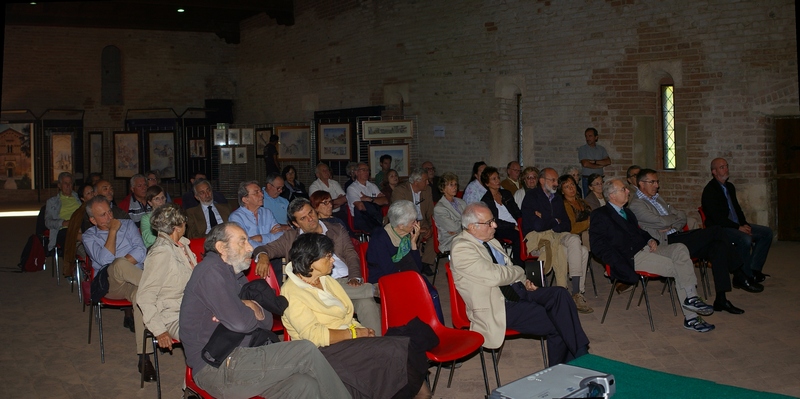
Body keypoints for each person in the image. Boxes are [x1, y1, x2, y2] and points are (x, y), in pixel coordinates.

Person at [179, 223, 351, 399]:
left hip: (246, 358)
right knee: (305, 350)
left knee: (305, 385)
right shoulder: (210, 270)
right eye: (242, 242)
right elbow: (241, 323)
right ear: (221, 247)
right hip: (218, 367)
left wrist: (245, 306)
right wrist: (246, 307)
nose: (250, 247)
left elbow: (266, 321)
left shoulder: (236, 275)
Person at [280, 233, 432, 399]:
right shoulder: (291, 292)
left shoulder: (326, 280)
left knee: (405, 341)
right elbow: (314, 336)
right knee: (394, 349)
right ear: (311, 261)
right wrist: (355, 334)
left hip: (345, 340)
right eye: (328, 256)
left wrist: (361, 329)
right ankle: (422, 395)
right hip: (321, 352)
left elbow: (346, 316)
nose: (333, 261)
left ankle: (421, 395)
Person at [450, 202, 590, 366]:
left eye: (493, 220)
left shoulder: (490, 240)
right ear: (473, 227)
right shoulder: (461, 248)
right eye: (489, 223)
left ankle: (578, 357)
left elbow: (504, 271)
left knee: (560, 294)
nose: (495, 225)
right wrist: (520, 272)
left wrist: (525, 281)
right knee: (558, 321)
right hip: (499, 305)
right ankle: (577, 361)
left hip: (518, 291)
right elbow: (495, 275)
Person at [589, 178, 716, 332]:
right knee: (678, 267)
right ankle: (691, 319)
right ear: (612, 195)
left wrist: (649, 239)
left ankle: (691, 297)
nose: (628, 191)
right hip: (631, 257)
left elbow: (639, 232)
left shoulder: (627, 212)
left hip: (647, 249)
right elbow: (597, 246)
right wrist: (617, 262)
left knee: (680, 249)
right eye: (624, 189)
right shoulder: (600, 215)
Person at [253, 197, 381, 334]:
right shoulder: (290, 238)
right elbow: (263, 249)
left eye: (311, 213)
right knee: (365, 294)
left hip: (347, 282)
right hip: (316, 286)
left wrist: (355, 277)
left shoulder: (336, 229)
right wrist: (263, 256)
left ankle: (376, 345)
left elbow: (351, 254)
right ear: (295, 223)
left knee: (366, 303)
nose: (310, 219)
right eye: (303, 218)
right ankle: (372, 289)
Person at [630, 168, 749, 314]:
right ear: (641, 183)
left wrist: (672, 223)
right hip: (667, 243)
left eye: (657, 181)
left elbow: (682, 215)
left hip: (678, 235)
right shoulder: (636, 204)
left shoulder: (657, 198)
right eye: (652, 182)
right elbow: (660, 222)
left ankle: (721, 299)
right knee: (717, 230)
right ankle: (739, 272)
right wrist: (671, 220)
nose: (657, 185)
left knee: (718, 247)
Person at [82, 196, 155, 380]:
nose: (109, 217)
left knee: (140, 296)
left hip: (135, 282)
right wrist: (113, 232)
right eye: (103, 215)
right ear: (93, 220)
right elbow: (106, 262)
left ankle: (144, 357)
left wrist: (123, 265)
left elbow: (141, 250)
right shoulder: (89, 236)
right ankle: (158, 287)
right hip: (110, 284)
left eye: (109, 211)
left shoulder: (128, 225)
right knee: (117, 265)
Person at [521, 168, 591, 313]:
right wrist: (555, 220)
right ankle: (576, 292)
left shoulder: (557, 198)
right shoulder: (531, 197)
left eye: (557, 180)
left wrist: (547, 219)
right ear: (542, 181)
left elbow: (566, 225)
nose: (556, 183)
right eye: (552, 180)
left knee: (574, 240)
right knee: (583, 251)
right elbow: (537, 226)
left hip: (558, 235)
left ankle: (576, 293)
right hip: (539, 238)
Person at [366, 200, 444, 322]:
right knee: (420, 295)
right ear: (401, 225)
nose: (416, 224)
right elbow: (389, 272)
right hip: (384, 278)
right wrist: (410, 279)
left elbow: (417, 268)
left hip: (405, 274)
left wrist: (413, 243)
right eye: (413, 222)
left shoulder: (405, 236)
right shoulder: (380, 239)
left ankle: (434, 325)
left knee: (432, 293)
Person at [702, 157, 772, 287]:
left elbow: (737, 210)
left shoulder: (730, 187)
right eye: (722, 167)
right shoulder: (710, 191)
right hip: (721, 228)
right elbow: (718, 219)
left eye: (726, 166)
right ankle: (743, 277)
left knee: (766, 233)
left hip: (735, 225)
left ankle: (754, 270)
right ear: (714, 172)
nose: (726, 169)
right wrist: (738, 228)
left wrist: (744, 224)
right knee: (744, 239)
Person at [137, 203, 197, 351]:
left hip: (193, 308)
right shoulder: (161, 252)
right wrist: (159, 330)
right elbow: (145, 296)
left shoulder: (182, 245)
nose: (186, 225)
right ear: (176, 227)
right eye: (184, 222)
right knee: (208, 333)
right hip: (173, 315)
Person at [391, 168, 435, 274]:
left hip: (422, 221)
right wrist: (418, 228)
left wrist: (430, 227)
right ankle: (412, 262)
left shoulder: (427, 190)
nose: (428, 182)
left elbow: (430, 212)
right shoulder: (400, 191)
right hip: (405, 222)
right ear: (416, 182)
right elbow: (400, 215)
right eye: (425, 180)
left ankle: (425, 263)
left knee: (436, 233)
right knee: (413, 234)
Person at [480, 166, 522, 265]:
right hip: (499, 228)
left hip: (516, 224)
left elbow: (516, 211)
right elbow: (494, 221)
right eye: (494, 179)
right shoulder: (486, 200)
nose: (498, 181)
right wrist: (513, 226)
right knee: (517, 236)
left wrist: (522, 221)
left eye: (498, 178)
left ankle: (536, 264)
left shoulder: (506, 194)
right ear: (487, 183)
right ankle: (519, 266)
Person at [229, 180, 291, 249]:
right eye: (256, 193)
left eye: (261, 191)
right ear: (245, 200)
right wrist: (269, 236)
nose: (262, 195)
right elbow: (243, 243)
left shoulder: (267, 213)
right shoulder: (236, 218)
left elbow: (280, 234)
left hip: (271, 253)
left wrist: (260, 238)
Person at [62, 183, 95, 278]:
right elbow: (77, 235)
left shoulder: (100, 207)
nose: (92, 194)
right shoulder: (79, 213)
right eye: (88, 193)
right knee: (95, 255)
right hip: (81, 242)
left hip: (97, 239)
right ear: (83, 199)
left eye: (92, 191)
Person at [346, 162, 388, 232]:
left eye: (368, 170)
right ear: (356, 172)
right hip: (361, 218)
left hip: (374, 218)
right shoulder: (352, 188)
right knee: (380, 230)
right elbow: (360, 206)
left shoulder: (372, 186)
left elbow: (385, 200)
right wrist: (376, 201)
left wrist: (369, 199)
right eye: (363, 170)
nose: (366, 172)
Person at [45, 172, 80, 253]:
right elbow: (48, 222)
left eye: (70, 183)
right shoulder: (52, 202)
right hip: (65, 228)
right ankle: (71, 263)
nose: (68, 186)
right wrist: (63, 223)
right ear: (59, 185)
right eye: (65, 183)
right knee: (68, 237)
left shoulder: (80, 198)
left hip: (80, 226)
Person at [433, 172, 466, 252]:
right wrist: (466, 225)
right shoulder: (439, 208)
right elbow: (454, 227)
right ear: (443, 188)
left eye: (455, 184)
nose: (455, 187)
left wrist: (458, 225)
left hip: (462, 235)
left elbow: (471, 219)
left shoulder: (462, 202)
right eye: (451, 185)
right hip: (450, 240)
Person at [560, 175, 592, 251]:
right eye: (567, 187)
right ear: (562, 191)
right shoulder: (565, 205)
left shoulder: (582, 202)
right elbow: (572, 228)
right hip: (576, 237)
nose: (571, 188)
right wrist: (588, 222)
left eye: (572, 184)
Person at [577, 127, 611, 196]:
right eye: (586, 136)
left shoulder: (601, 149)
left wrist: (594, 162)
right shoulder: (582, 149)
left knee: (600, 198)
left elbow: (608, 161)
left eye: (590, 136)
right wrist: (600, 165)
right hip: (587, 179)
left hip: (599, 180)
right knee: (589, 200)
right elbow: (585, 164)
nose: (587, 138)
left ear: (596, 137)